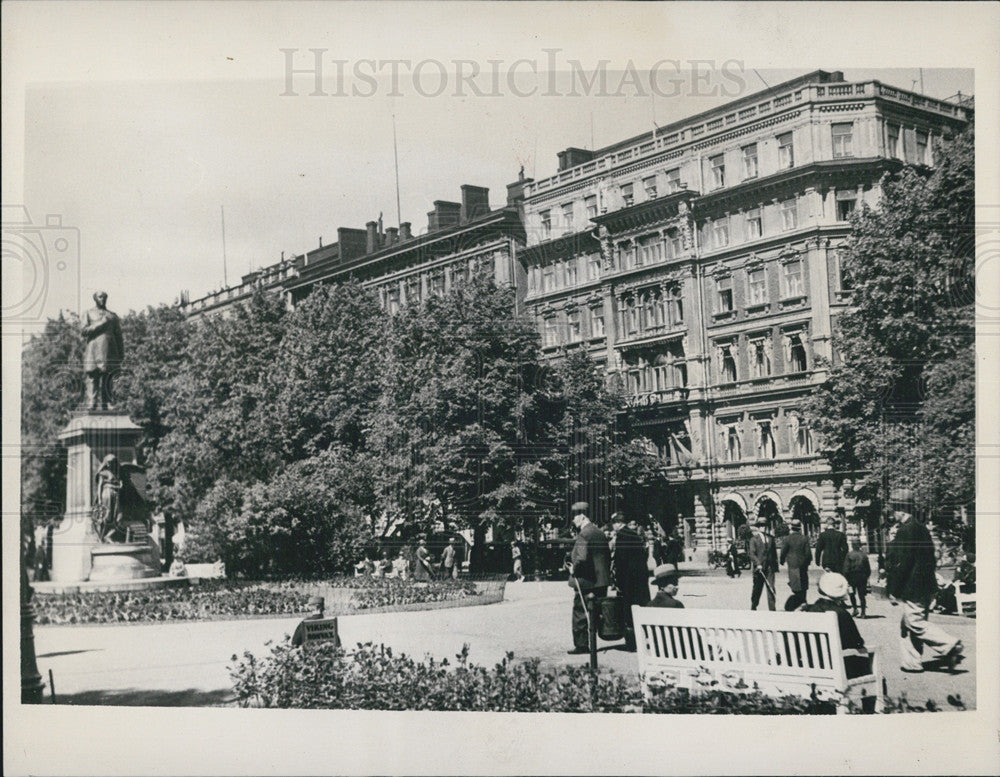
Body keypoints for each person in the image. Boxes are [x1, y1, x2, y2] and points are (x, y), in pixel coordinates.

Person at [885, 489, 964, 673]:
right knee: (907, 624)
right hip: (926, 585)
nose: (892, 513)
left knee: (915, 623)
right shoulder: (921, 528)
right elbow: (930, 558)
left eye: (894, 509)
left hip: (914, 587)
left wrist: (893, 590)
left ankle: (951, 645)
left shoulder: (906, 530)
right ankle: (912, 663)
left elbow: (901, 564)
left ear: (900, 509)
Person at [803, 572, 871, 678]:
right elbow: (857, 642)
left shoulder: (809, 610)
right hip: (836, 667)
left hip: (812, 665)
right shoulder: (841, 613)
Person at [566, 501, 611, 655]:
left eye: (574, 517)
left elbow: (582, 558)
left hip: (586, 581)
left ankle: (582, 645)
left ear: (582, 516)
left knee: (580, 613)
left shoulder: (584, 534)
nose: (573, 520)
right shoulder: (599, 533)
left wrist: (574, 568)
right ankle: (598, 639)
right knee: (596, 612)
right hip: (601, 581)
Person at [611, 513, 651, 651]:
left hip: (629, 581)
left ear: (617, 523)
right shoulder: (634, 534)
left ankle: (632, 644)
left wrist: (619, 582)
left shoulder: (622, 536)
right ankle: (644, 638)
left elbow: (621, 562)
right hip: (640, 580)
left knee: (628, 612)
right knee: (641, 608)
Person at [81, 290, 124, 411]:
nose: (103, 299)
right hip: (94, 348)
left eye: (105, 297)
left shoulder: (112, 316)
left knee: (108, 376)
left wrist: (121, 354)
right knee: (93, 376)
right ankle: (92, 403)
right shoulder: (88, 313)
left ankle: (108, 403)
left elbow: (119, 336)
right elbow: (84, 331)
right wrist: (101, 323)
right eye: (100, 297)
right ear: (95, 298)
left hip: (110, 349)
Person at [780, 519, 812, 611]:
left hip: (792, 565)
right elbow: (808, 554)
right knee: (803, 584)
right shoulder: (804, 538)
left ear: (791, 528)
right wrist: (807, 563)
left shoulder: (787, 539)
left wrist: (782, 561)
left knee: (794, 585)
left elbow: (783, 551)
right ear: (799, 528)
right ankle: (803, 602)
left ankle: (798, 603)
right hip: (802, 566)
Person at [748, 518, 778, 611]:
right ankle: (754, 606)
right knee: (757, 589)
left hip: (769, 568)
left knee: (771, 587)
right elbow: (752, 554)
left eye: (765, 526)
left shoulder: (771, 538)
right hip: (759, 569)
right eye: (761, 526)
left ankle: (772, 609)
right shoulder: (753, 539)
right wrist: (758, 564)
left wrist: (775, 567)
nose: (763, 528)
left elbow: (774, 554)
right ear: (758, 527)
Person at [842, 539, 872, 618]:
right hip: (862, 577)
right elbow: (868, 569)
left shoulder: (849, 555)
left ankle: (855, 609)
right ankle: (863, 612)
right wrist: (866, 577)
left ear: (852, 545)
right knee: (862, 595)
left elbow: (846, 568)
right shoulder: (864, 555)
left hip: (851, 577)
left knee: (852, 593)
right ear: (860, 545)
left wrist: (845, 578)